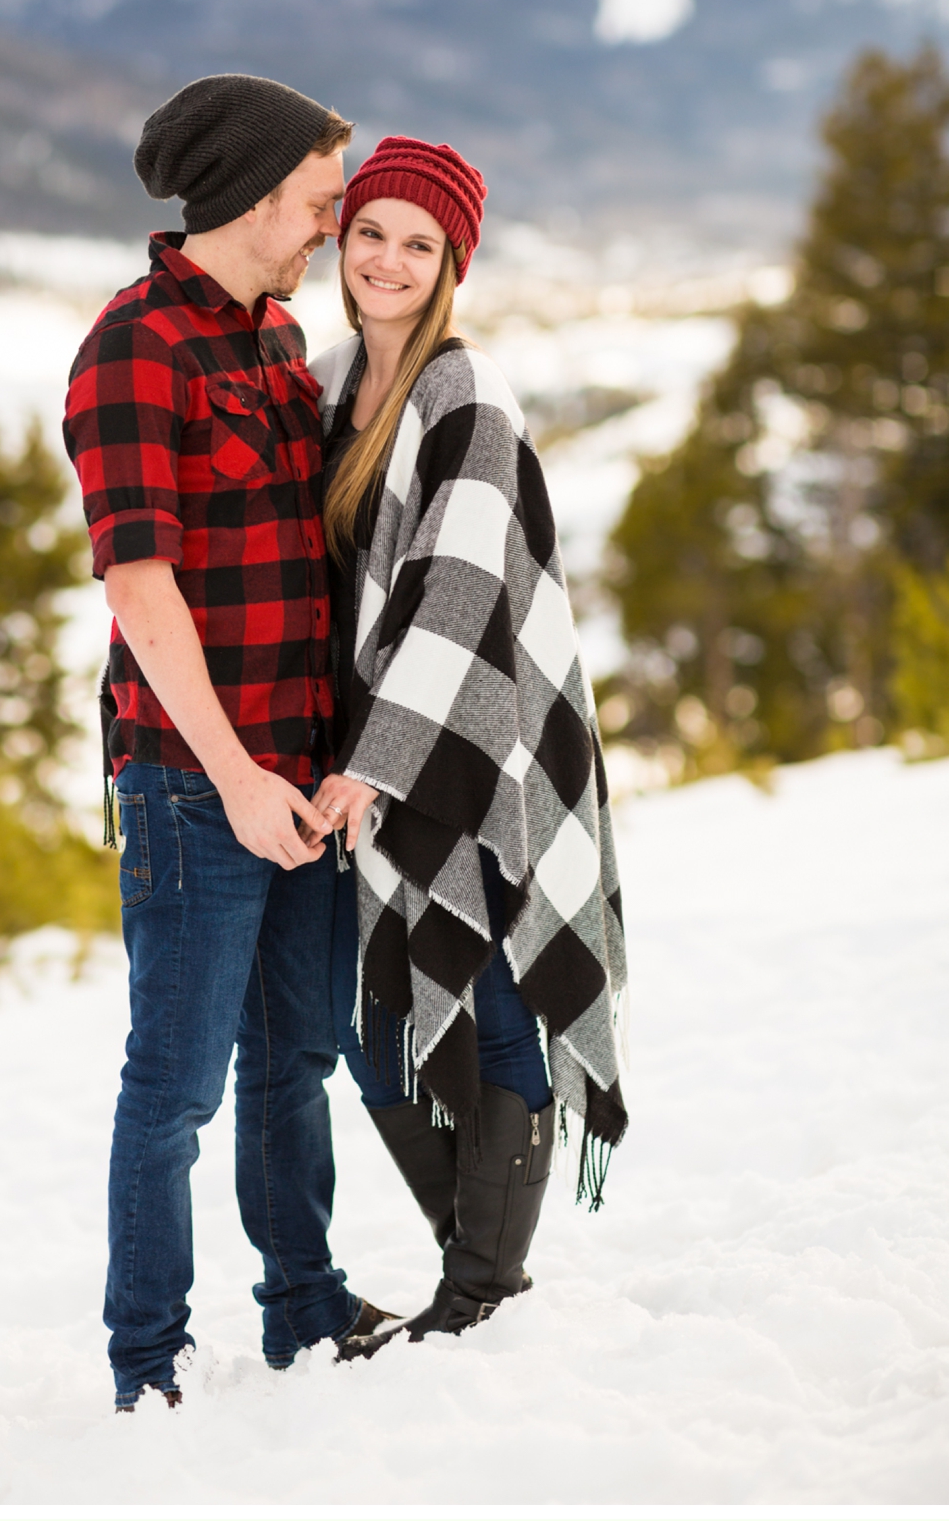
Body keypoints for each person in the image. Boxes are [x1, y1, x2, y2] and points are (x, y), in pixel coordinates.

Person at [63, 73, 395, 1411]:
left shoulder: (276, 341)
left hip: (299, 774)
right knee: (176, 1089)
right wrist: (234, 777)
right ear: (257, 193)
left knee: (295, 1059)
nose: (334, 222)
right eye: (321, 199)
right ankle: (148, 1367)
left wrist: (323, 763)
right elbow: (139, 591)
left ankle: (303, 1308)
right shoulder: (132, 349)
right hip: (194, 788)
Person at [306, 138, 629, 1355]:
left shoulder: (466, 395)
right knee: (373, 1040)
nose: (387, 259)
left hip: (476, 749)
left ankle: (482, 1291)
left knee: (492, 1006)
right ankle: (476, 1272)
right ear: (342, 244)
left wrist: (375, 763)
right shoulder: (336, 381)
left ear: (452, 266)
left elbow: (454, 592)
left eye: (418, 243)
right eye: (370, 231)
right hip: (376, 751)